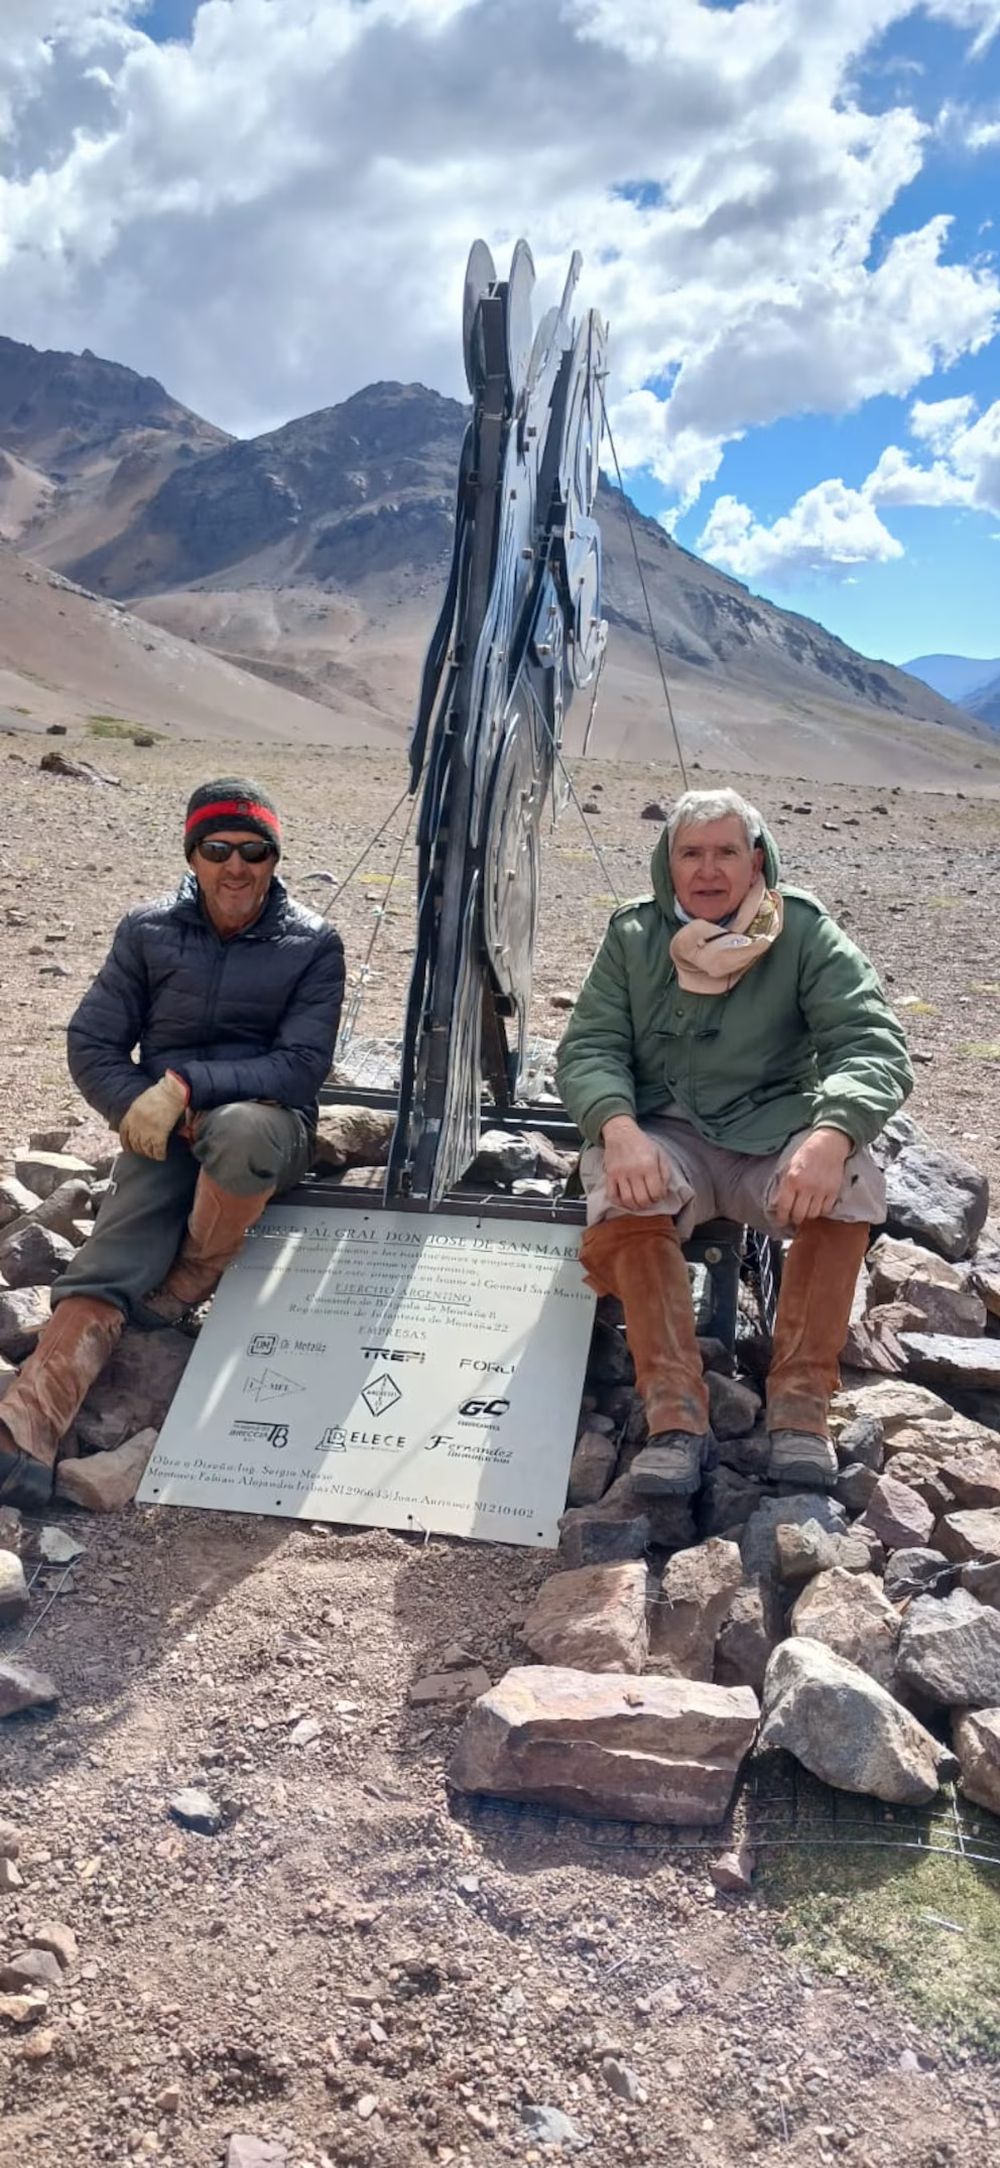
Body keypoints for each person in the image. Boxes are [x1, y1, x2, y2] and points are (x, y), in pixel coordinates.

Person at [556, 786, 912, 1497]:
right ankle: (676, 1419)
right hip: (666, 1130)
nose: (708, 870)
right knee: (622, 1188)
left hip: (769, 1133)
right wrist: (617, 1128)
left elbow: (873, 1045)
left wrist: (832, 1132)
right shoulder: (634, 936)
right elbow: (589, 1046)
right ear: (670, 862)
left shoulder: (803, 930)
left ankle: (801, 1411)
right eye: (691, 853)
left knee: (850, 1183)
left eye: (725, 853)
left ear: (755, 863)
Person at [0, 778, 345, 1510]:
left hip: (263, 1126)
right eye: (217, 849)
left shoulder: (313, 943)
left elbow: (301, 1066)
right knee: (113, 1254)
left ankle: (187, 1282)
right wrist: (140, 1109)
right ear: (193, 854)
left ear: (274, 858)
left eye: (255, 851)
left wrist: (185, 1087)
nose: (237, 867)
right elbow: (92, 1041)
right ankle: (26, 1430)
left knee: (243, 1131)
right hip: (166, 1131)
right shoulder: (147, 930)